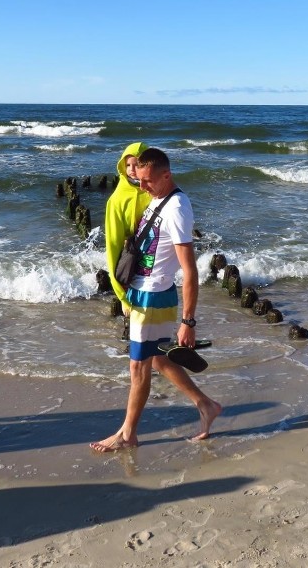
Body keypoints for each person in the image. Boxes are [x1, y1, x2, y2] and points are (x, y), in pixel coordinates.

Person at [91, 147, 222, 451]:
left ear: (167, 175)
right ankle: (206, 405)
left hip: (152, 296)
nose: (143, 186)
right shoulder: (157, 198)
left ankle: (127, 434)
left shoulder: (176, 207)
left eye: (149, 181)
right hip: (145, 293)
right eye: (140, 180)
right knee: (161, 360)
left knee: (139, 367)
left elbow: (190, 271)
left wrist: (188, 322)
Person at [104, 142, 151, 315]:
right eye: (128, 165)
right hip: (133, 260)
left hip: (155, 262)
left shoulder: (155, 191)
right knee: (135, 316)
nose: (131, 169)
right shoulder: (116, 200)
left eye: (137, 164)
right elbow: (113, 244)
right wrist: (120, 294)